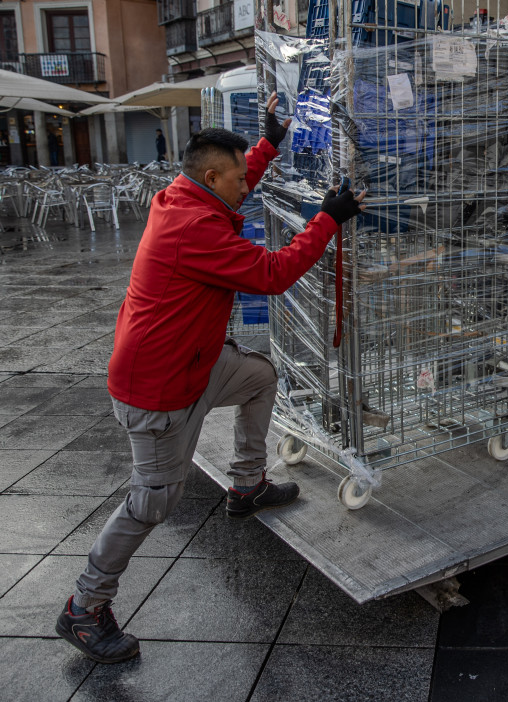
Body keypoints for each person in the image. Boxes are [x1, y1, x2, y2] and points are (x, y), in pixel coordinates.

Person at [55, 94, 365, 664]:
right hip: (158, 386)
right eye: (240, 179)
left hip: (194, 362)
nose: (248, 187)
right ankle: (84, 606)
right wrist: (329, 220)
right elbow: (272, 274)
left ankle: (245, 484)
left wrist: (269, 140)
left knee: (259, 377)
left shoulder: (187, 196)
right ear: (212, 176)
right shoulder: (193, 229)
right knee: (152, 502)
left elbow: (237, 173)